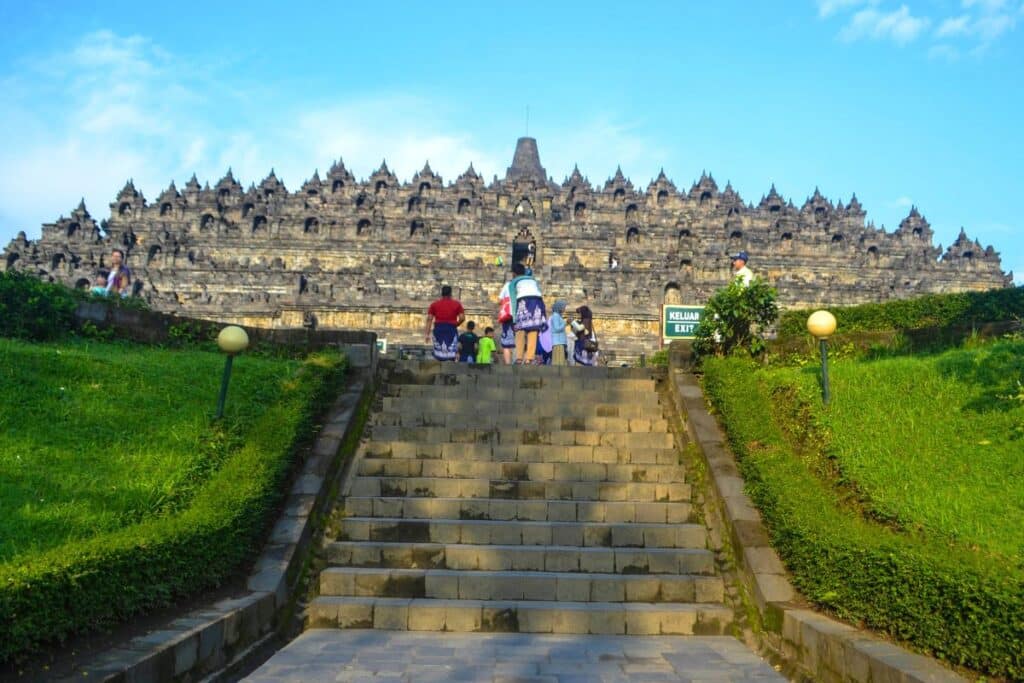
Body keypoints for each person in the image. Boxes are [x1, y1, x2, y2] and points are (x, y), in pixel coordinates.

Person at [502, 262, 547, 365]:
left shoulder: (513, 282)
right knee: (533, 330)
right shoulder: (532, 279)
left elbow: (513, 300)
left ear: (514, 273)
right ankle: (529, 358)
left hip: (524, 301)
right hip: (537, 302)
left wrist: (514, 317)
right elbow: (539, 293)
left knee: (519, 330)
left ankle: (519, 358)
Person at [424, 285, 465, 361]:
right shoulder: (457, 304)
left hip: (438, 329)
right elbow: (462, 318)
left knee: (438, 352)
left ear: (441, 294)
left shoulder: (434, 305)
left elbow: (429, 319)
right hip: (451, 329)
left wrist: (427, 334)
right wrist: (457, 324)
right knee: (451, 352)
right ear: (450, 294)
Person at [549, 300, 568, 365]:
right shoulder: (555, 316)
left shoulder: (558, 316)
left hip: (560, 341)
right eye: (563, 307)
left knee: (561, 361)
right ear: (559, 307)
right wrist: (565, 323)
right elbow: (557, 328)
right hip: (558, 342)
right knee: (558, 362)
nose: (564, 308)